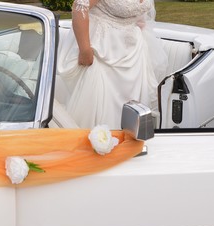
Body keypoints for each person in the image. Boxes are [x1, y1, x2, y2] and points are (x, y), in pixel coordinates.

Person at [57, 0, 167, 129]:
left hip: (134, 54)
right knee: (101, 110)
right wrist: (85, 50)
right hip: (103, 52)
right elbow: (80, 7)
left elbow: (141, 14)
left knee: (133, 108)